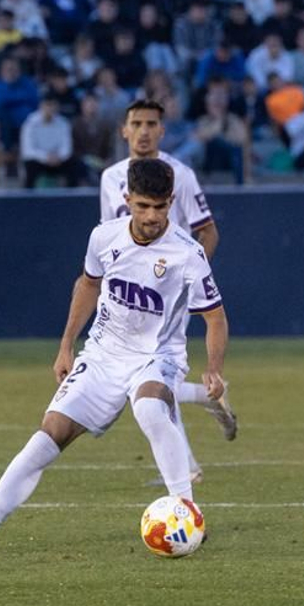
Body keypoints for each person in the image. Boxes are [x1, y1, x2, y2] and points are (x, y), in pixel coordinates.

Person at [0, 159, 229, 556]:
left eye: (160, 207)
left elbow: (215, 317)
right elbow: (88, 284)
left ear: (170, 202)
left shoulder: (186, 254)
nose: (152, 217)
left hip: (158, 356)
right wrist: (65, 345)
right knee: (48, 436)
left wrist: (213, 369)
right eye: (143, 206)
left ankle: (187, 510)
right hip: (103, 354)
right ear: (127, 200)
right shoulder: (104, 238)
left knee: (149, 408)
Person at [99, 99, 238, 482]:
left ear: (162, 130)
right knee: (147, 381)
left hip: (165, 293)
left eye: (151, 123)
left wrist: (191, 279)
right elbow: (109, 235)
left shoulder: (182, 175)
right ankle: (207, 405)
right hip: (129, 295)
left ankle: (187, 469)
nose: (143, 130)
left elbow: (207, 230)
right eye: (136, 123)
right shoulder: (110, 178)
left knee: (149, 375)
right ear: (123, 130)